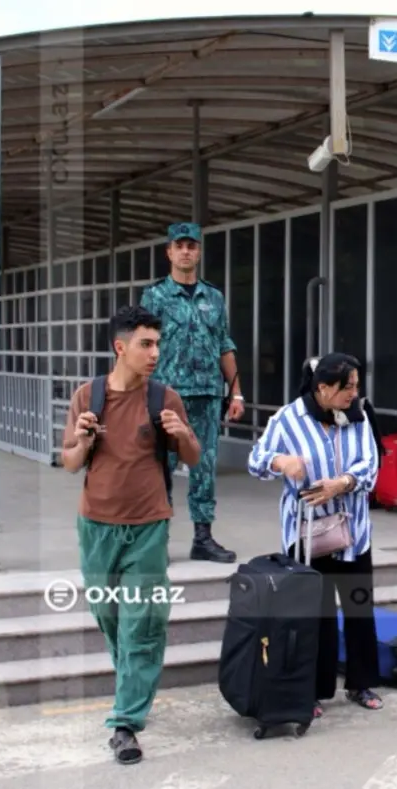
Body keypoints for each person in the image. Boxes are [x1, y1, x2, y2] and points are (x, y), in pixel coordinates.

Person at [60, 305, 202, 764]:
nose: (155, 353)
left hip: (148, 527)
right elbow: (70, 461)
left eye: (158, 344)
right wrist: (84, 440)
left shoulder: (165, 398)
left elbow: (194, 458)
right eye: (146, 344)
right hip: (96, 526)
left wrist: (182, 434)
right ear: (120, 347)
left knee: (142, 622)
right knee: (109, 615)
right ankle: (133, 684)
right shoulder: (88, 396)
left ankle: (126, 723)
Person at [246, 353, 386, 715]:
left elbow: (371, 465)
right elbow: (256, 460)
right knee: (314, 615)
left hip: (353, 532)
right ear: (322, 388)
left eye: (356, 386)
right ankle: (312, 690)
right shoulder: (287, 419)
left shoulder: (359, 416)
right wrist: (281, 462)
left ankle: (361, 683)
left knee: (359, 608)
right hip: (307, 535)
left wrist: (342, 483)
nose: (353, 393)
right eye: (347, 387)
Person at [140, 221, 244, 563]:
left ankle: (203, 538)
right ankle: (156, 539)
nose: (186, 251)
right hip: (166, 395)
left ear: (198, 252)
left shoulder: (214, 297)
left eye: (192, 246)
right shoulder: (155, 296)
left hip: (207, 395)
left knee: (204, 466)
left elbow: (224, 344)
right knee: (161, 466)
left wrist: (236, 392)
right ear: (169, 252)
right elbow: (143, 344)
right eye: (179, 246)